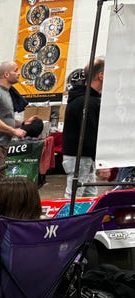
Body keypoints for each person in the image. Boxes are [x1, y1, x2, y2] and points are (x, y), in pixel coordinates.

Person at [0, 61, 40, 191]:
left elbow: (5, 119)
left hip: (0, 145)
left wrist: (24, 124)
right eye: (16, 70)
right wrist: (14, 131)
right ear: (6, 74)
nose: (19, 73)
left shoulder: (7, 93)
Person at [62, 59, 104, 198]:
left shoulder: (85, 98)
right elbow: (89, 134)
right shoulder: (86, 101)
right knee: (75, 194)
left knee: (88, 193)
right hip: (79, 156)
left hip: (84, 155)